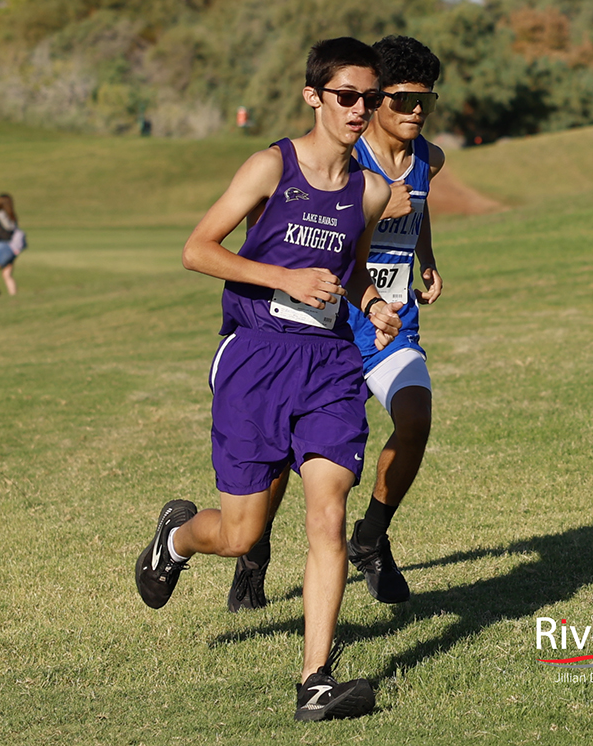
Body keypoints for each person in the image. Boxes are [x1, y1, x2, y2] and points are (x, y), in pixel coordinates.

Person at [134, 37, 402, 722]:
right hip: (255, 357)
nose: (359, 109)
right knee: (243, 536)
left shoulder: (369, 189)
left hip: (329, 366)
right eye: (346, 96)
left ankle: (315, 681)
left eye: (370, 99)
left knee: (327, 516)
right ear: (314, 95)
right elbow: (197, 249)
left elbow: (350, 269)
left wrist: (370, 306)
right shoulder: (269, 166)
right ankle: (177, 536)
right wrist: (281, 276)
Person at [228, 35, 445, 611]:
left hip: (391, 321)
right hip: (327, 328)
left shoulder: (429, 158)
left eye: (427, 100)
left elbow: (417, 210)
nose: (414, 111)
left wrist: (427, 259)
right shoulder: (349, 163)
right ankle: (253, 553)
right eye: (398, 100)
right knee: (283, 456)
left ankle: (371, 537)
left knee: (415, 417)